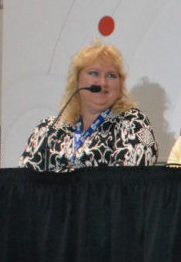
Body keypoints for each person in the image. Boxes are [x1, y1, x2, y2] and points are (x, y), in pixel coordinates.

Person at [20, 39, 158, 170]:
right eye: (94, 73)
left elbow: (128, 184)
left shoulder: (133, 124)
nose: (102, 83)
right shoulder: (48, 130)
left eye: (111, 75)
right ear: (77, 80)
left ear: (120, 85)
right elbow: (21, 184)